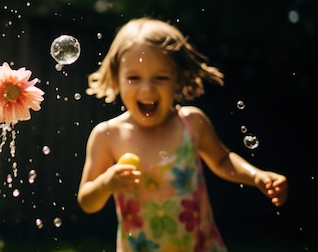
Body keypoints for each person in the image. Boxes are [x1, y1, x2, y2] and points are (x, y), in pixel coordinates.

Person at [77, 17, 288, 252]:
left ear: (180, 79)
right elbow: (86, 201)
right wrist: (107, 183)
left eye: (161, 78)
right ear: (116, 78)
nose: (147, 89)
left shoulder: (191, 123)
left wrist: (256, 176)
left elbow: (221, 159)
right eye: (133, 78)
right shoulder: (108, 135)